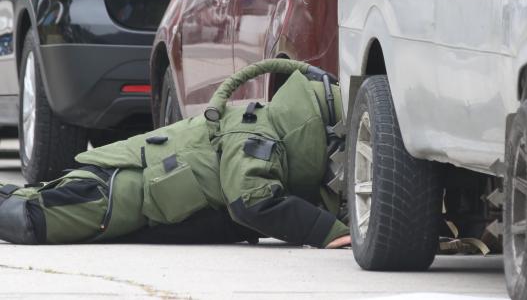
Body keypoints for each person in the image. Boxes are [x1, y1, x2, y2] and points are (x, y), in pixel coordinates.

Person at [0, 59, 351, 248]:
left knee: (30, 204)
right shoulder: (256, 136)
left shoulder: (267, 129)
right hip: (117, 192)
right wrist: (328, 231)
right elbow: (253, 201)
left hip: (126, 189)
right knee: (31, 219)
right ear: (312, 131)